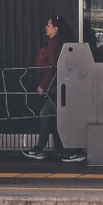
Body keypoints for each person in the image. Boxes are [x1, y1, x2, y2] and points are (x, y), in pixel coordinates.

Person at [21, 14, 86, 163]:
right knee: (49, 114)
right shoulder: (59, 43)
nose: (46, 28)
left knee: (54, 116)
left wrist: (42, 85)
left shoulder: (53, 44)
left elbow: (52, 67)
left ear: (55, 29)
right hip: (59, 87)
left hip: (56, 88)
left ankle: (69, 150)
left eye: (48, 26)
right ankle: (51, 149)